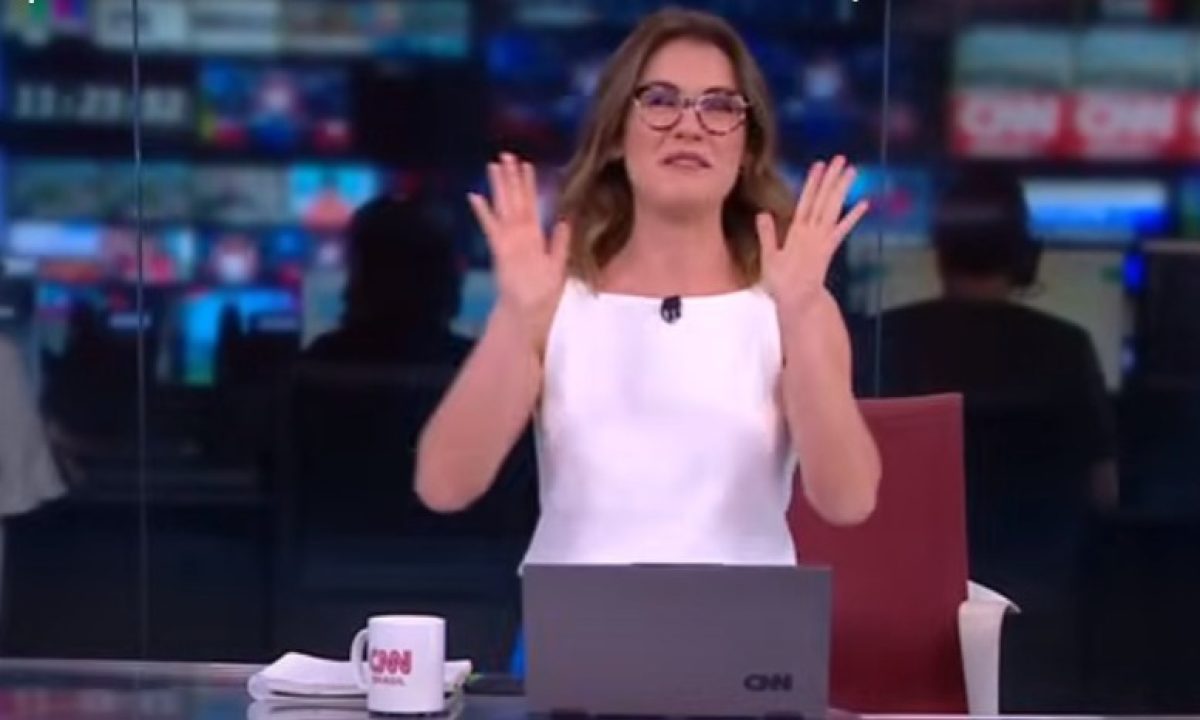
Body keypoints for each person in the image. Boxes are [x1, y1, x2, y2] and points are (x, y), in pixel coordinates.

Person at [416, 8, 880, 570]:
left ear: (746, 148)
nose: (689, 126)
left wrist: (801, 316)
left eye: (719, 106)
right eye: (661, 101)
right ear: (616, 135)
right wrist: (517, 317)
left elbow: (848, 501)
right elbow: (445, 485)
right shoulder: (549, 296)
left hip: (746, 619)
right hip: (576, 618)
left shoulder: (792, 302)